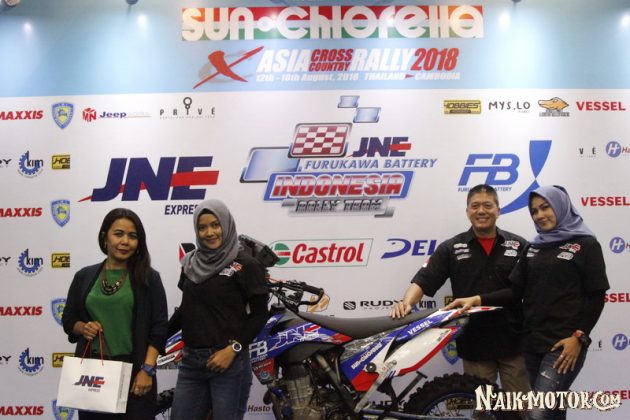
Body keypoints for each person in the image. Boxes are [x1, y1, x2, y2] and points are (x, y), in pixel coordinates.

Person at [446, 185, 609, 420]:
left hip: (563, 346)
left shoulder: (586, 245)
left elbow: (596, 296)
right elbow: (514, 291)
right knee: (552, 411)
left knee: (538, 413)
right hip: (531, 344)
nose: (540, 215)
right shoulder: (534, 246)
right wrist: (477, 299)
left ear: (561, 207)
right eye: (534, 211)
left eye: (545, 207)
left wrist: (579, 338)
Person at [391, 184, 530, 394]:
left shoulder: (518, 245)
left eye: (487, 205)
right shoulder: (450, 248)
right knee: (483, 407)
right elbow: (423, 280)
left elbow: (526, 289)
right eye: (475, 206)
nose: (481, 211)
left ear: (498, 210)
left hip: (514, 341)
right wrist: (406, 302)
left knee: (521, 406)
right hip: (475, 342)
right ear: (467, 212)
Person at [62, 208, 168, 420]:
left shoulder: (149, 278)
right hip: (92, 374)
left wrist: (147, 370)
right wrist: (83, 327)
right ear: (105, 237)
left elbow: (159, 329)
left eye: (132, 236)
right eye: (118, 234)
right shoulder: (84, 276)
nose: (125, 241)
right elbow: (69, 319)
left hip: (135, 375)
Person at [169, 199, 270, 420]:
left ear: (226, 224)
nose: (209, 232)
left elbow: (260, 315)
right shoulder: (190, 264)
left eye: (215, 225)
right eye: (202, 227)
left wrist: (232, 350)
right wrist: (155, 340)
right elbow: (186, 309)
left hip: (228, 363)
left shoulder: (247, 265)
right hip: (191, 363)